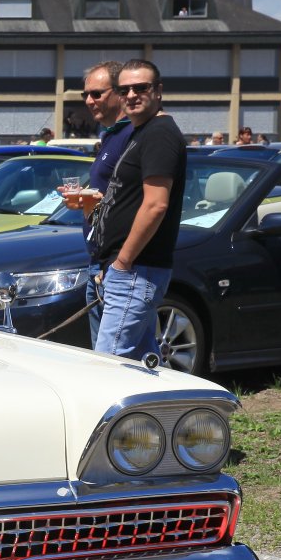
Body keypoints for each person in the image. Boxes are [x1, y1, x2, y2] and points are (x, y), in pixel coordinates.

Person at [88, 59, 187, 361]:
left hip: (135, 271)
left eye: (140, 88)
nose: (131, 95)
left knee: (109, 365)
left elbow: (156, 205)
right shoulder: (140, 131)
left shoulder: (160, 133)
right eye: (124, 90)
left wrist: (122, 262)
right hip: (127, 271)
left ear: (158, 90)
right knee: (144, 367)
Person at [61, 60, 132, 343]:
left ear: (120, 92)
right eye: (85, 94)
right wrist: (86, 201)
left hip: (116, 265)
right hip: (98, 261)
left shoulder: (133, 135)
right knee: (108, 353)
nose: (89, 101)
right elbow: (108, 195)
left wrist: (119, 264)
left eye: (97, 93)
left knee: (114, 355)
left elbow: (136, 200)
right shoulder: (110, 135)